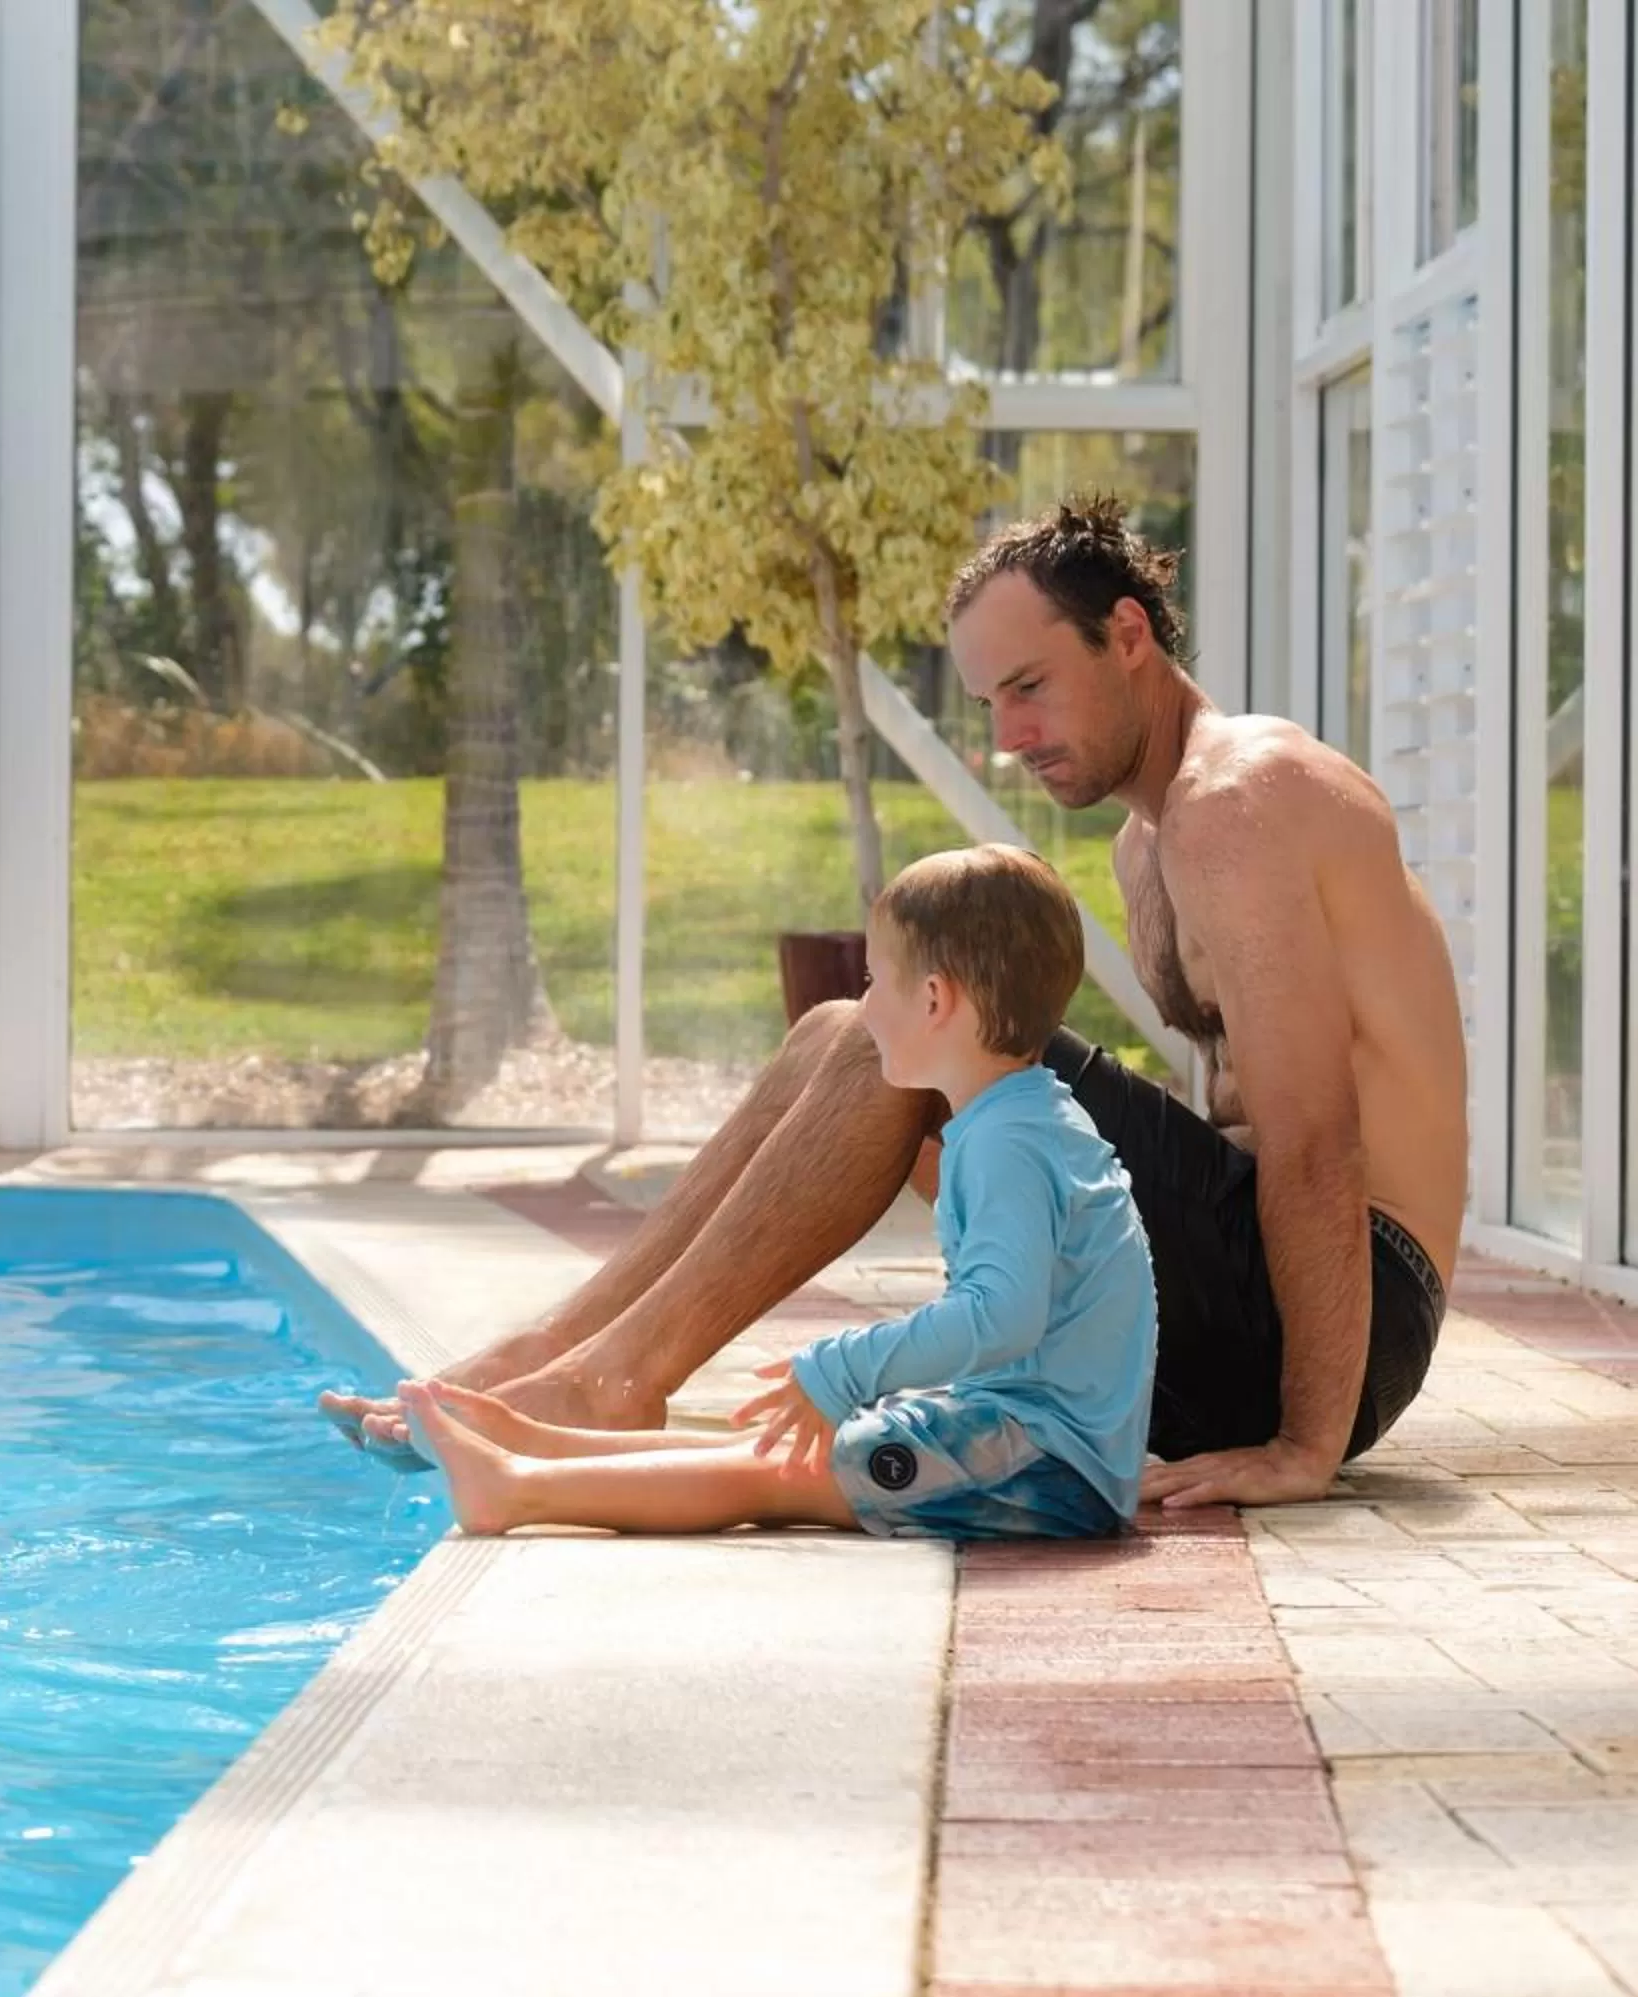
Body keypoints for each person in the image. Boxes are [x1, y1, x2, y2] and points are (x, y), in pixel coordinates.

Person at [327, 497, 1466, 1511]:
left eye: (1030, 688)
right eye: (990, 701)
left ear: (1127, 635)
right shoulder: (1148, 842)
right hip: (1250, 1293)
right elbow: (1222, 1133)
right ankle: (568, 1351)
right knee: (856, 1028)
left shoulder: (1239, 798)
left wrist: (1308, 1441)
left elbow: (1318, 1138)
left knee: (919, 1037)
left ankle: (611, 1378)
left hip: (1352, 1315)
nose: (1008, 737)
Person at [399, 844, 1155, 1541]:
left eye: (872, 981)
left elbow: (1000, 1315)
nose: (861, 1008)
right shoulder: (1018, 1119)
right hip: (1030, 1439)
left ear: (933, 1001)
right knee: (781, 1447)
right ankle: (551, 1447)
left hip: (1049, 1470)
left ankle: (521, 1490)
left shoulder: (1009, 1143)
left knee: (778, 1475)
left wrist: (842, 1368)